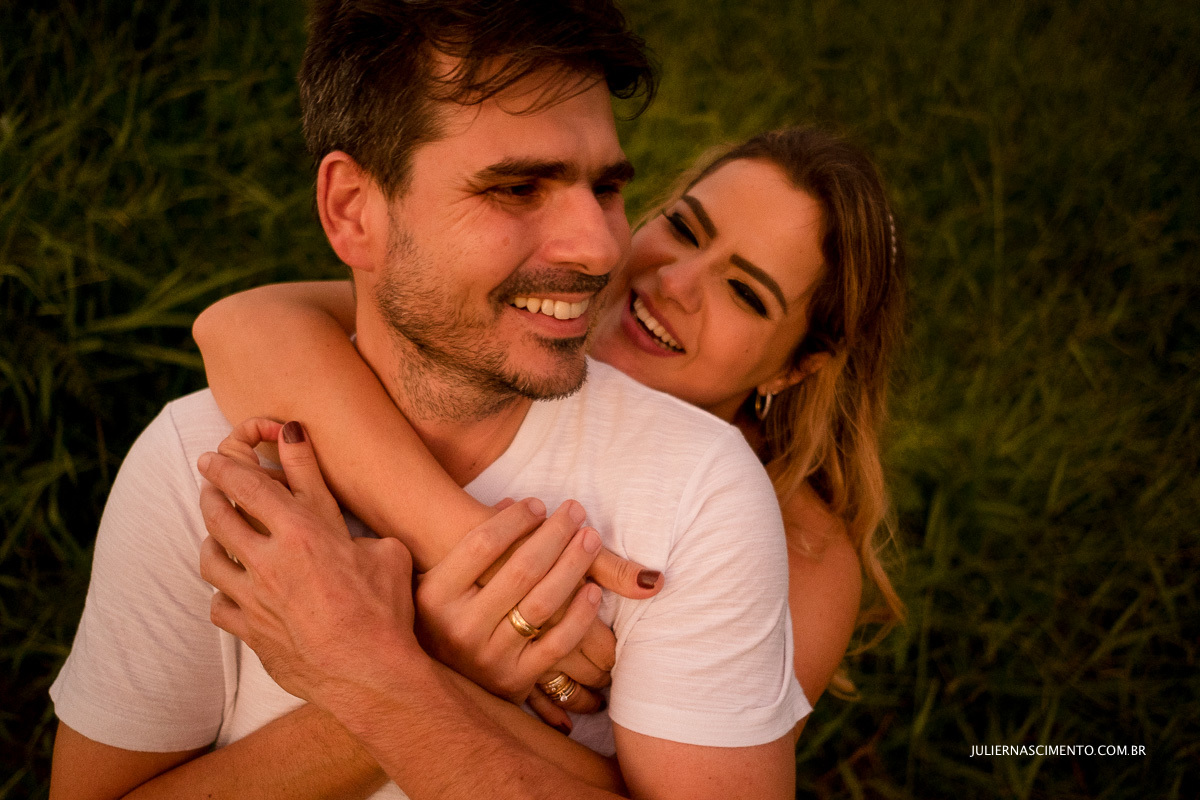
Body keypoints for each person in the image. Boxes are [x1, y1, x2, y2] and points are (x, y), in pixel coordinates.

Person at [46, 2, 809, 798]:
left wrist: (372, 670)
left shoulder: (699, 494)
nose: (602, 248)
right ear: (353, 210)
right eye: (517, 188)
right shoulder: (202, 461)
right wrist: (429, 665)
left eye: (608, 187)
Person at [196, 125, 908, 722]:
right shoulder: (508, 325)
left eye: (746, 292)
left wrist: (429, 677)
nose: (676, 281)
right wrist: (476, 554)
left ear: (798, 368)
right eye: (685, 229)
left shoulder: (797, 553)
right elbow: (242, 326)